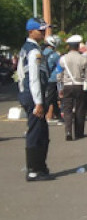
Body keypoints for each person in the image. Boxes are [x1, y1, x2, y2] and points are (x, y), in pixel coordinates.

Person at [17, 18, 52, 181]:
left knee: (42, 132)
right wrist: (38, 101)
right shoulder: (33, 51)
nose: (43, 32)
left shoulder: (27, 48)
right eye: (41, 30)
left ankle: (40, 166)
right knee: (36, 133)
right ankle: (33, 170)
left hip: (29, 95)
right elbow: (33, 78)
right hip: (33, 96)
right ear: (31, 31)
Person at [58, 35, 87, 140]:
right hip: (79, 85)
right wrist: (86, 86)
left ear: (69, 46)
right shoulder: (84, 59)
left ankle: (68, 132)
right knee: (80, 109)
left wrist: (60, 88)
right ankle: (79, 133)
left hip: (67, 85)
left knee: (67, 109)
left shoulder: (63, 59)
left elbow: (59, 75)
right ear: (78, 46)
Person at [43, 35, 62, 123]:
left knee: (53, 98)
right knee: (49, 98)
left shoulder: (42, 52)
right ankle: (42, 116)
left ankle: (58, 116)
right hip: (53, 79)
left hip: (44, 78)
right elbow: (60, 67)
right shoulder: (55, 55)